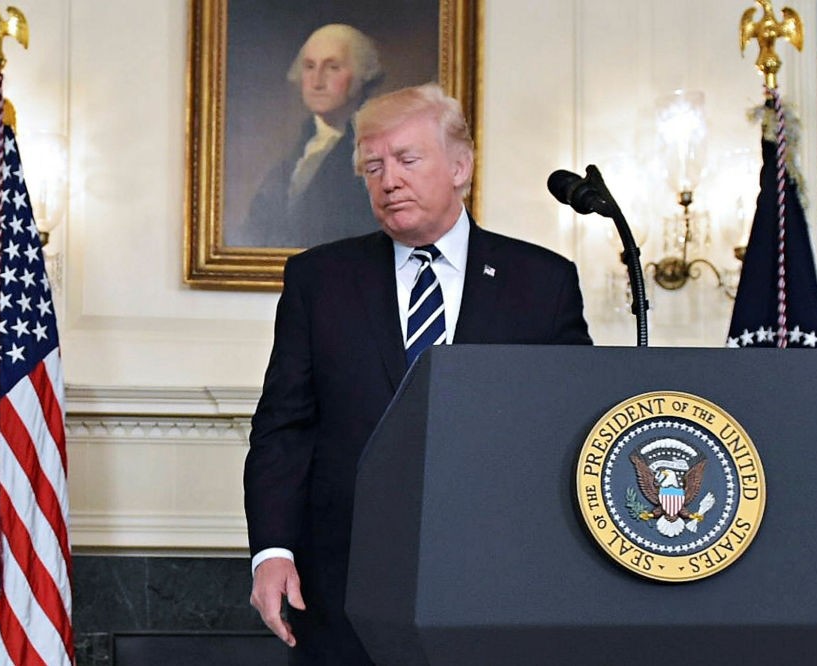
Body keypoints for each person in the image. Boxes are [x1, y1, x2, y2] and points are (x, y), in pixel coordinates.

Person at [244, 82, 592, 664]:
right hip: (343, 583)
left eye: (407, 160)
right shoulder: (320, 280)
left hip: (500, 582)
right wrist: (272, 552)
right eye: (373, 166)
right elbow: (284, 428)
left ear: (461, 166)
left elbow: (572, 430)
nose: (388, 180)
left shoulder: (542, 283)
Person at [240, 23, 383, 249]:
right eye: (309, 66)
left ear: (361, 76)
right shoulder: (296, 155)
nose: (317, 81)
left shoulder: (379, 153)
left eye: (333, 67)